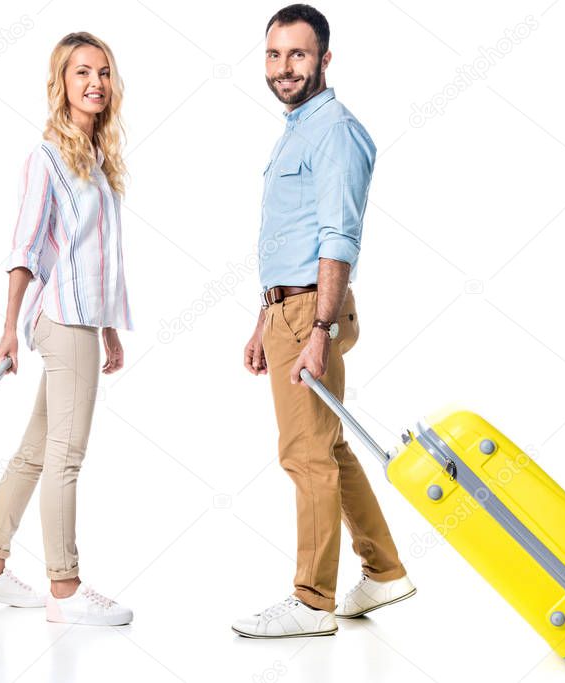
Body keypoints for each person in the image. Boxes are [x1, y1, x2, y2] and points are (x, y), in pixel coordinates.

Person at [232, 4, 415, 639]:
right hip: (290, 308)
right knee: (329, 449)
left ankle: (312, 602)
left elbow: (338, 239)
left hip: (314, 311)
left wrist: (317, 330)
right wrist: (266, 318)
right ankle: (385, 570)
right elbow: (293, 238)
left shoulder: (333, 130)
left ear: (325, 60)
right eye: (274, 55)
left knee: (305, 455)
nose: (284, 68)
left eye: (298, 55)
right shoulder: (298, 128)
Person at [0, 31, 134, 627]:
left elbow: (100, 256)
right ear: (60, 83)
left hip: (84, 321)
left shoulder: (100, 158)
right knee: (67, 455)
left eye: (105, 72)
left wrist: (111, 328)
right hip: (59, 318)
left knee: (37, 451)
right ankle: (64, 589)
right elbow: (26, 247)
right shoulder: (48, 158)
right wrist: (8, 327)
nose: (95, 81)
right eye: (82, 71)